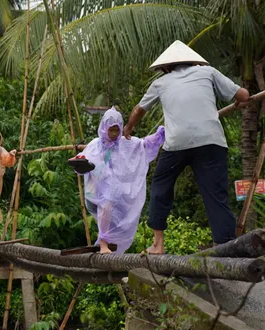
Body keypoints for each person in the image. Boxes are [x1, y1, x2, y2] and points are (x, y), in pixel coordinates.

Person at [124, 40, 250, 254]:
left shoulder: (161, 83)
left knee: (161, 187)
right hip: (211, 141)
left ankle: (157, 244)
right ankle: (226, 247)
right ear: (192, 61)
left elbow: (139, 110)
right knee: (216, 195)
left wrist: (128, 128)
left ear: (165, 67)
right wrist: (239, 101)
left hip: (176, 144)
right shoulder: (207, 72)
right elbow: (244, 96)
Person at [72, 107, 165, 254]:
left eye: (117, 130)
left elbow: (142, 145)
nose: (115, 134)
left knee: (111, 206)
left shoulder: (124, 143)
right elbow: (83, 160)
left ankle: (108, 243)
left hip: (116, 194)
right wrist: (78, 162)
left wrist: (158, 136)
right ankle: (103, 243)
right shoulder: (95, 145)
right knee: (106, 203)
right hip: (96, 192)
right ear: (104, 128)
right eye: (111, 130)